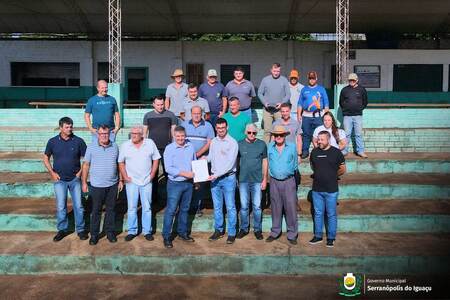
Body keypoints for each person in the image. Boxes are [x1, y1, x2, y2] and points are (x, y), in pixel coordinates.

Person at [43, 117, 88, 242]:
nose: (70, 129)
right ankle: (62, 230)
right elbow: (45, 158)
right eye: (67, 127)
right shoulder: (52, 141)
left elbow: (87, 160)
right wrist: (52, 173)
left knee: (78, 206)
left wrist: (79, 173)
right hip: (60, 180)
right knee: (61, 206)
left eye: (71, 126)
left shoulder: (78, 141)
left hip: (75, 180)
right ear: (61, 127)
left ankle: (81, 230)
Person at [118, 126, 160, 242]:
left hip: (146, 181)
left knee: (147, 207)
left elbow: (156, 159)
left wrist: (152, 174)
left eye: (136, 133)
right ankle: (132, 230)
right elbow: (121, 162)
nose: (133, 135)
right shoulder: (125, 145)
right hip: (131, 181)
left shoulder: (150, 143)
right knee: (131, 207)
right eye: (132, 133)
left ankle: (147, 231)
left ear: (142, 135)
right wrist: (125, 176)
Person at [81, 125, 122, 245]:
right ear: (98, 135)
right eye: (101, 134)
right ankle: (94, 235)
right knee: (96, 211)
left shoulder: (115, 146)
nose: (104, 136)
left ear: (109, 134)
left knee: (111, 210)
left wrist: (121, 180)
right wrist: (84, 182)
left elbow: (119, 164)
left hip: (112, 185)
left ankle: (110, 232)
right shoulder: (91, 147)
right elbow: (86, 165)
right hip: (96, 186)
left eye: (106, 133)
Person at [309, 131, 346, 248]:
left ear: (328, 140)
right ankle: (318, 236)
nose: (319, 141)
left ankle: (331, 238)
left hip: (331, 190)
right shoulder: (314, 152)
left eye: (322, 139)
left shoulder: (336, 152)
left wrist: (332, 175)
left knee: (331, 214)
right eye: (318, 139)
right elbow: (313, 166)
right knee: (318, 213)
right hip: (317, 190)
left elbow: (342, 169)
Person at [162, 126, 197, 248]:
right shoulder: (169, 148)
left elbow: (194, 163)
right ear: (174, 136)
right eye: (178, 136)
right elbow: (168, 168)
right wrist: (184, 173)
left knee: (185, 209)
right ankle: (166, 236)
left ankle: (183, 233)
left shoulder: (190, 146)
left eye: (182, 136)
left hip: (188, 184)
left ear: (185, 135)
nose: (180, 138)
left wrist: (196, 180)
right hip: (175, 184)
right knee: (171, 210)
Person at [207, 118, 239, 244]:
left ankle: (231, 233)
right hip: (215, 179)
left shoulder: (232, 143)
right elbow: (211, 157)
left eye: (223, 128)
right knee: (217, 206)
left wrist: (216, 175)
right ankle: (218, 230)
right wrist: (203, 159)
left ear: (227, 128)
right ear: (216, 128)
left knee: (230, 206)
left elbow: (230, 164)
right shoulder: (214, 141)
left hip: (228, 178)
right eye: (218, 128)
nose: (221, 130)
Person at [266, 125, 299, 245]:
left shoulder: (292, 147)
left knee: (290, 208)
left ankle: (292, 234)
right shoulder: (269, 147)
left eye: (281, 135)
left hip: (289, 181)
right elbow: (268, 163)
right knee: (275, 207)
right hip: (274, 181)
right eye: (276, 135)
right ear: (273, 136)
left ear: (285, 135)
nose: (278, 137)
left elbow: (295, 165)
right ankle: (275, 232)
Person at [143, 95, 177, 201]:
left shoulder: (171, 115)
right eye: (158, 105)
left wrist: (174, 148)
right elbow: (144, 133)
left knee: (168, 173)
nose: (160, 107)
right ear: (153, 104)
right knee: (153, 173)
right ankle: (153, 198)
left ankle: (170, 197)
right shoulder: (148, 116)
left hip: (167, 149)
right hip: (153, 150)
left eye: (162, 104)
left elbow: (174, 133)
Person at [181, 106, 215, 215]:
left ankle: (197, 207)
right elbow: (180, 140)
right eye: (194, 113)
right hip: (186, 159)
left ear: (202, 114)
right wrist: (189, 155)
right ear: (191, 114)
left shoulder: (208, 126)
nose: (196, 115)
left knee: (199, 185)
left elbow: (210, 142)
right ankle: (185, 207)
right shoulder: (184, 125)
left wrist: (198, 154)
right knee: (187, 183)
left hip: (201, 159)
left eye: (199, 113)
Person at [237, 123, 268, 240]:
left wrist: (264, 179)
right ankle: (244, 229)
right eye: (249, 132)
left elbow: (265, 161)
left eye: (254, 133)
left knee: (257, 206)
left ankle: (257, 229)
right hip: (243, 180)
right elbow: (236, 162)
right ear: (245, 132)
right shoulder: (239, 144)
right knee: (244, 206)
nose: (251, 134)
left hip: (257, 180)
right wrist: (236, 178)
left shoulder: (261, 144)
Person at [297, 71, 329, 159]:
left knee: (319, 134)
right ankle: (305, 151)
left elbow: (326, 102)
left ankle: (320, 151)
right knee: (306, 134)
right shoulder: (304, 89)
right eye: (310, 78)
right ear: (308, 79)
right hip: (306, 116)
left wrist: (326, 114)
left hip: (318, 116)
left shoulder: (321, 89)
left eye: (313, 78)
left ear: (316, 78)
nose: (312, 80)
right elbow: (300, 103)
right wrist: (299, 114)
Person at [258, 63, 291, 143]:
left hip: (279, 110)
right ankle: (266, 151)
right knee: (267, 131)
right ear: (271, 70)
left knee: (280, 131)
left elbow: (288, 94)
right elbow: (259, 93)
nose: (276, 73)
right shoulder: (265, 80)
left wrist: (282, 103)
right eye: (274, 71)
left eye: (278, 71)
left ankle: (280, 149)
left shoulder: (284, 80)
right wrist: (264, 102)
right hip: (267, 110)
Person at [339, 73, 369, 158]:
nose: (351, 81)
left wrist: (359, 108)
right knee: (347, 134)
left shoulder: (362, 89)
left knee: (358, 134)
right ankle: (344, 151)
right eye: (350, 80)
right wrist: (345, 109)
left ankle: (360, 151)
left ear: (357, 80)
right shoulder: (344, 90)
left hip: (358, 116)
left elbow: (365, 102)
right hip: (347, 116)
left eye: (353, 80)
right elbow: (341, 102)